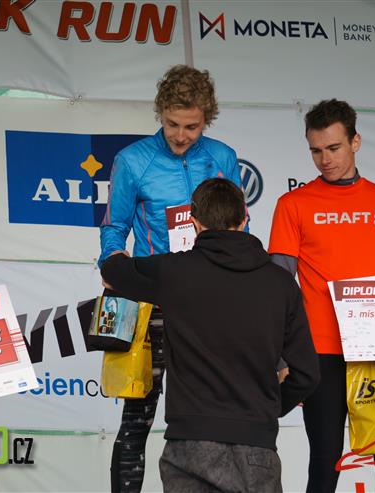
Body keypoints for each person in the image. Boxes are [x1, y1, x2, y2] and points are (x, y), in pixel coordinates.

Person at [101, 178, 320, 492]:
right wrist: (266, 410)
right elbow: (306, 374)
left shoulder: (174, 271)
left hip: (190, 444)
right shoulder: (281, 283)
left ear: (194, 222)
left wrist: (117, 258)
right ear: (244, 219)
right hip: (257, 445)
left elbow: (114, 271)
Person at [99, 65, 243, 492]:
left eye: (192, 127)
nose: (181, 136)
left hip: (210, 304)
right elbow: (114, 227)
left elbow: (239, 226)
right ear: (160, 114)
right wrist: (112, 261)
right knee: (137, 419)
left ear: (207, 120)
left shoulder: (223, 158)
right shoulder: (133, 160)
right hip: (155, 301)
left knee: (208, 418)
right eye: (172, 124)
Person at [268, 99, 375, 493]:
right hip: (320, 353)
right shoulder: (293, 205)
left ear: (355, 142)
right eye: (316, 150)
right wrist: (283, 355)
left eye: (334, 148)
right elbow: (277, 284)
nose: (325, 159)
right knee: (325, 464)